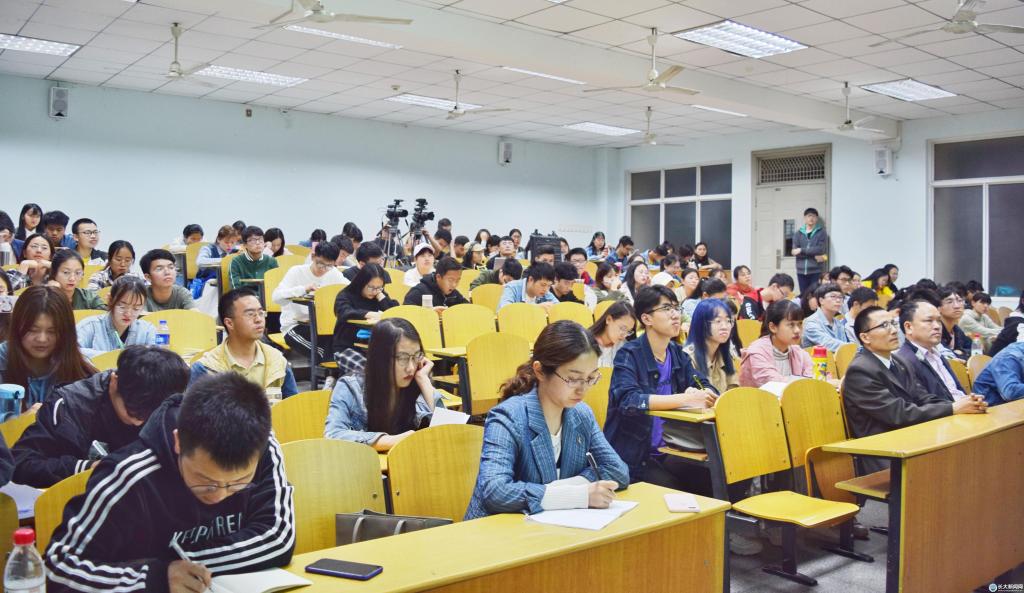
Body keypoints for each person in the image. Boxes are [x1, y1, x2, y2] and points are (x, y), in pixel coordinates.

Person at [45, 373, 295, 593]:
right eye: (205, 482)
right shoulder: (130, 474)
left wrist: (182, 564)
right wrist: (154, 578)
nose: (219, 496)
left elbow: (278, 538)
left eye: (238, 484)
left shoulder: (263, 447)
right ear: (178, 443)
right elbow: (57, 568)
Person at [465, 320, 628, 520]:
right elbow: (495, 492)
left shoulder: (581, 413)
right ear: (540, 371)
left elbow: (617, 471)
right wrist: (577, 495)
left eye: (591, 378)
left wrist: (569, 488)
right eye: (573, 379)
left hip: (553, 526)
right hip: (498, 530)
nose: (583, 389)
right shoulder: (508, 417)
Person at [12, 345, 189, 488]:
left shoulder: (173, 408)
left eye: (149, 416)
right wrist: (86, 467)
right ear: (114, 382)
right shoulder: (69, 405)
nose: (139, 422)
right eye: (132, 412)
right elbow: (21, 463)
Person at [842, 306, 985, 472]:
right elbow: (898, 414)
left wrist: (966, 403)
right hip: (885, 452)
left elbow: (923, 397)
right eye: (884, 326)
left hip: (912, 439)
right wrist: (952, 408)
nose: (894, 330)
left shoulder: (899, 362)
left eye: (893, 323)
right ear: (865, 337)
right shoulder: (860, 370)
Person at [604, 286, 716, 484]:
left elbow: (703, 383)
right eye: (666, 309)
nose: (675, 315)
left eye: (676, 308)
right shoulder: (629, 355)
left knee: (714, 479)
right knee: (675, 488)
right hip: (637, 456)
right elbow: (629, 400)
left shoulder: (677, 353)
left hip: (673, 449)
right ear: (646, 319)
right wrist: (686, 398)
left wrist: (703, 391)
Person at [325, 319, 444, 451]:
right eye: (403, 358)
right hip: (370, 463)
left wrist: (424, 381)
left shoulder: (417, 382)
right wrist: (393, 440)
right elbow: (332, 435)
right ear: (380, 358)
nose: (411, 368)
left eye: (416, 356)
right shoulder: (350, 387)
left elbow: (447, 434)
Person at [191, 289, 297, 399]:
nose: (258, 319)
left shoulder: (277, 361)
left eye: (261, 313)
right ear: (229, 323)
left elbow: (293, 406)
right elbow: (192, 409)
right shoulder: (206, 368)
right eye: (250, 314)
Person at [0, 286, 96, 408]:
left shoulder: (81, 372)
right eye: (33, 330)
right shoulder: (3, 360)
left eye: (52, 331)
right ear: (17, 327)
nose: (42, 339)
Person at [272, 240, 346, 360]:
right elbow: (276, 297)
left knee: (343, 347)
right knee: (325, 353)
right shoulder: (296, 271)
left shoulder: (333, 273)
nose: (323, 269)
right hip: (295, 327)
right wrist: (303, 289)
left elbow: (351, 289)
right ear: (313, 257)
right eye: (320, 264)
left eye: (329, 266)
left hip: (322, 326)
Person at [894, 300, 968, 402]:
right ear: (909, 327)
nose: (937, 326)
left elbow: (956, 391)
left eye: (939, 320)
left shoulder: (937, 354)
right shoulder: (904, 361)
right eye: (929, 321)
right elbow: (924, 403)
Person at [332, 264, 399, 377]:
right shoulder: (346, 295)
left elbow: (394, 312)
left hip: (373, 348)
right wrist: (368, 314)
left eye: (379, 287)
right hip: (346, 347)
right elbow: (344, 312)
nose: (374, 291)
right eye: (371, 287)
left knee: (396, 368)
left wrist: (381, 296)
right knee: (369, 372)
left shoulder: (378, 295)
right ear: (361, 282)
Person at [740, 300, 815, 388]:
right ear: (773, 327)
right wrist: (804, 382)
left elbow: (814, 378)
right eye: (791, 325)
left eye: (800, 324)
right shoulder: (757, 352)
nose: (797, 330)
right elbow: (772, 383)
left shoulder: (798, 352)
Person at [77, 276, 156, 358]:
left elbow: (156, 358)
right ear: (110, 300)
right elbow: (74, 353)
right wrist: (109, 357)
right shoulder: (89, 326)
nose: (128, 314)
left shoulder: (147, 330)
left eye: (136, 308)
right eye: (122, 307)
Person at [684, 298, 738, 393]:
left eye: (728, 321)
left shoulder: (725, 355)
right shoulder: (687, 357)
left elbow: (734, 392)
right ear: (702, 324)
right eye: (718, 321)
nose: (725, 327)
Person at [403, 256, 468, 310]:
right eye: (450, 280)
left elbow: (468, 309)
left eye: (457, 280)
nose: (454, 285)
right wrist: (429, 313)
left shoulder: (454, 293)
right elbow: (405, 314)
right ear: (438, 277)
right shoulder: (419, 291)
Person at [801, 283, 850, 351]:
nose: (838, 300)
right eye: (833, 296)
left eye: (840, 297)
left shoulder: (838, 323)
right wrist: (854, 348)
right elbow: (828, 344)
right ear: (821, 300)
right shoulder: (811, 323)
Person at [227, 226, 279, 290]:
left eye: (260, 239)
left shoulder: (272, 261)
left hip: (267, 295)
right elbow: (235, 288)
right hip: (245, 295)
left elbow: (277, 285)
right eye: (253, 240)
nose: (258, 243)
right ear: (245, 245)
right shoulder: (236, 262)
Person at [791, 207, 828, 295]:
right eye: (809, 216)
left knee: (815, 294)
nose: (811, 218)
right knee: (803, 294)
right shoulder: (798, 234)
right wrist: (812, 253)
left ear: (817, 218)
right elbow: (794, 252)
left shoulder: (821, 232)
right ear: (805, 218)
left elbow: (820, 249)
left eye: (814, 216)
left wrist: (801, 250)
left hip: (816, 270)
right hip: (801, 270)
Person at [193, 225, 238, 294]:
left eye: (232, 242)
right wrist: (225, 261)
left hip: (226, 281)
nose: (229, 245)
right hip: (207, 283)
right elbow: (200, 262)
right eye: (226, 242)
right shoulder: (208, 248)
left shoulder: (234, 250)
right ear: (218, 239)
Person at [589, 301, 635, 367]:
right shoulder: (584, 343)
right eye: (623, 328)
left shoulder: (624, 347)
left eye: (629, 331)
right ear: (608, 319)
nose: (624, 335)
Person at [937, 286, 971, 360]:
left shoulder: (956, 330)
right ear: (939, 308)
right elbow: (944, 357)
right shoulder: (936, 329)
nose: (957, 306)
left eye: (959, 301)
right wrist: (958, 353)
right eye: (949, 302)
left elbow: (974, 350)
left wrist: (961, 352)